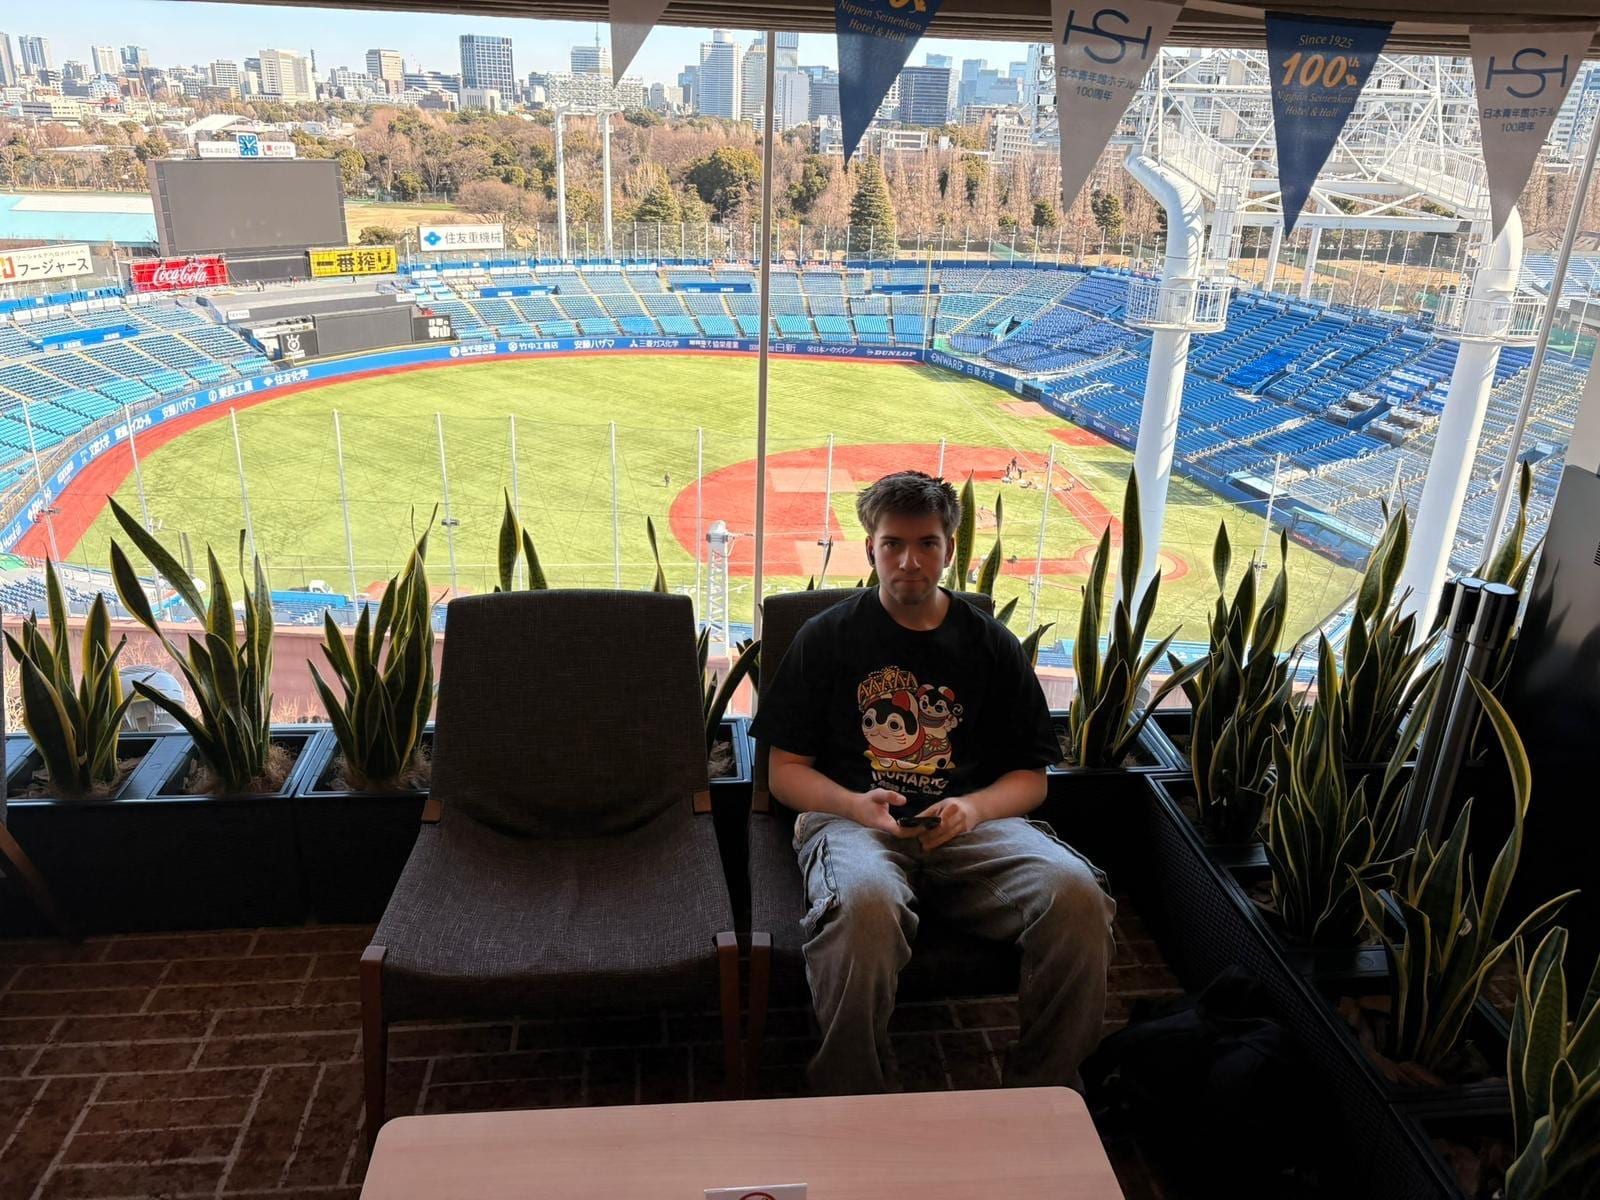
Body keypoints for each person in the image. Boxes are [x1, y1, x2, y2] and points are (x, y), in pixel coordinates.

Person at [750, 470, 1116, 1095]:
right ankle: (851, 1096)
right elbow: (784, 774)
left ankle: (1046, 1092)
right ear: (870, 548)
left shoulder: (991, 646)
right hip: (851, 821)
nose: (909, 561)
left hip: (970, 828)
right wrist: (854, 806)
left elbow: (1031, 778)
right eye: (893, 543)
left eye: (927, 543)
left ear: (950, 549)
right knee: (863, 905)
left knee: (1077, 894)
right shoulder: (828, 638)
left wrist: (973, 810)